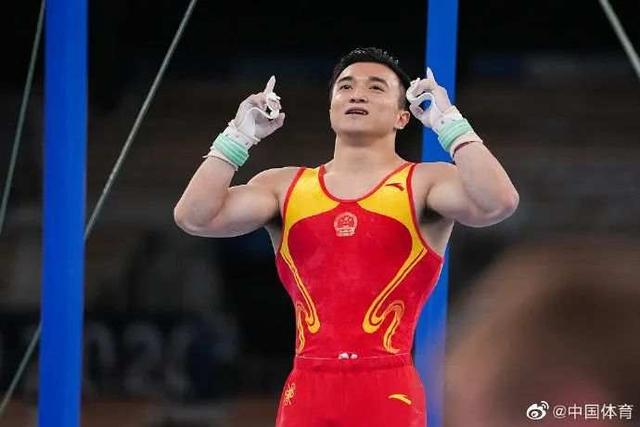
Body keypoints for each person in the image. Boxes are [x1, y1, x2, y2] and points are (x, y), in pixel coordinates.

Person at [174, 47, 519, 426]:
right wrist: (236, 138)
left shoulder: (424, 183)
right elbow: (195, 217)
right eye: (346, 86)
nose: (357, 94)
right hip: (307, 391)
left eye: (376, 87)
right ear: (331, 108)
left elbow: (497, 203)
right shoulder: (283, 186)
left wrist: (450, 124)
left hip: (388, 390)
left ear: (403, 116)